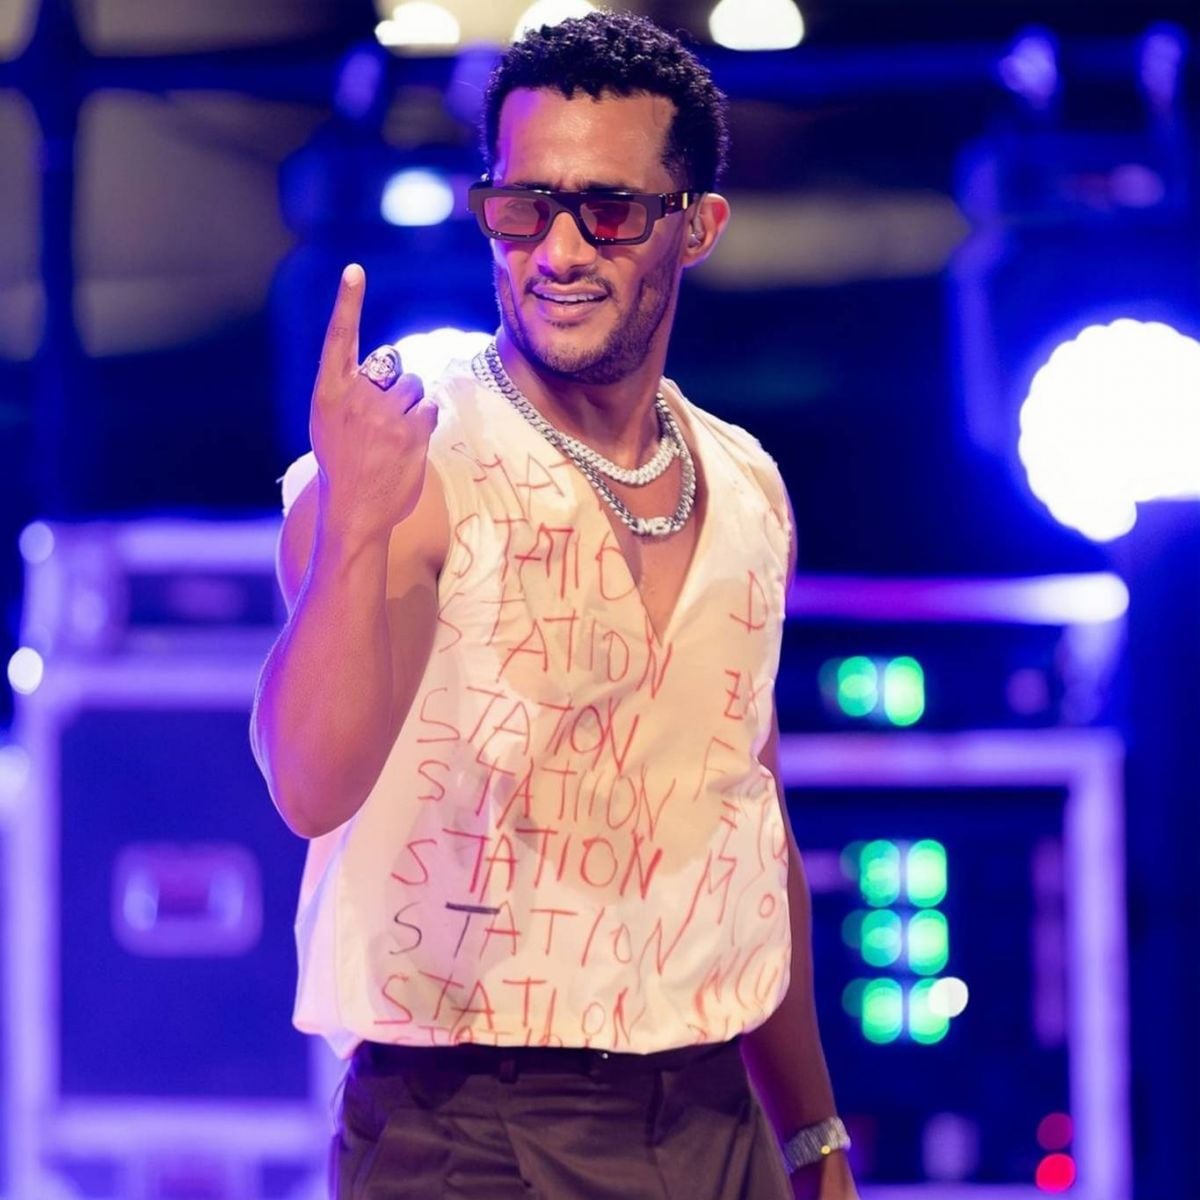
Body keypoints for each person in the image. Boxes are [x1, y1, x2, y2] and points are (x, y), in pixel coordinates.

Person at [251, 12, 859, 1199]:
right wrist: (356, 526)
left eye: (609, 211)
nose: (560, 251)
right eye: (524, 207)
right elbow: (308, 787)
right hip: (473, 1132)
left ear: (698, 226)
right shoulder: (412, 445)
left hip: (716, 1120)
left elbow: (750, 824)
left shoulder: (747, 484)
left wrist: (812, 1137)